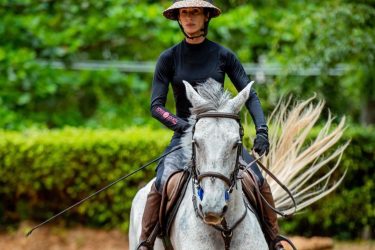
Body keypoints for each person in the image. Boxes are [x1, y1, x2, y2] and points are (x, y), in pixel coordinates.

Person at [138, 1, 284, 249]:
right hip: (185, 137)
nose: (189, 18)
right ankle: (145, 242)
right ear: (178, 18)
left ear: (206, 16)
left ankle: (275, 240)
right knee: (161, 182)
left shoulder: (224, 55)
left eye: (194, 12)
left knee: (258, 180)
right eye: (184, 13)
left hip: (221, 137)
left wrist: (262, 130)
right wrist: (184, 126)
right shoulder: (168, 58)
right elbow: (156, 107)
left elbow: (250, 94)